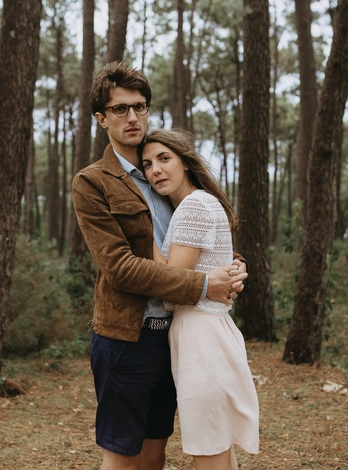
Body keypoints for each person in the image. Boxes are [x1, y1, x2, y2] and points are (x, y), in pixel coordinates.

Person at [71, 62, 248, 470]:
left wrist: (234, 265)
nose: (132, 117)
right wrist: (205, 285)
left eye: (139, 107)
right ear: (102, 118)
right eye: (119, 109)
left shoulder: (161, 173)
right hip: (125, 339)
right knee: (122, 456)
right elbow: (120, 269)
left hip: (172, 337)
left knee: (155, 453)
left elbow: (195, 238)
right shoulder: (93, 182)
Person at [141, 128, 259, 470]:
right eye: (148, 164)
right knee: (217, 446)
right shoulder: (195, 204)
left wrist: (142, 232)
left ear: (187, 164)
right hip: (201, 332)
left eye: (165, 159)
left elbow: (172, 281)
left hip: (201, 337)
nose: (155, 170)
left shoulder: (194, 205)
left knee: (209, 447)